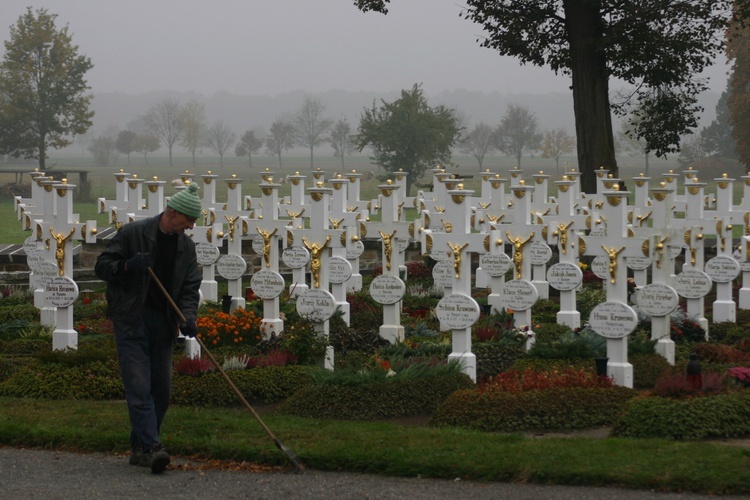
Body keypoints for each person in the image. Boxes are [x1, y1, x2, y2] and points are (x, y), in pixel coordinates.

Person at [95, 183, 203, 473]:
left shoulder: (186, 247)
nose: (191, 226)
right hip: (131, 319)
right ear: (172, 212)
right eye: (189, 220)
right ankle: (153, 447)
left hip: (163, 322)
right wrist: (128, 266)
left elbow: (190, 287)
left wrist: (187, 317)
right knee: (139, 385)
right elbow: (102, 266)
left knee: (161, 390)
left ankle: (140, 447)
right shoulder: (134, 234)